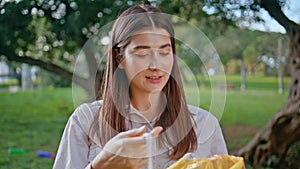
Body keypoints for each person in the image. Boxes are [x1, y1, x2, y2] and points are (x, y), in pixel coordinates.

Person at [53, 4, 227, 169]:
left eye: (164, 52)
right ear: (119, 58)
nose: (155, 64)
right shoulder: (85, 120)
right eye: (142, 53)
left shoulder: (204, 124)